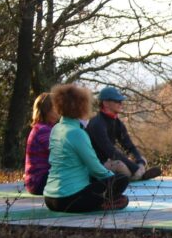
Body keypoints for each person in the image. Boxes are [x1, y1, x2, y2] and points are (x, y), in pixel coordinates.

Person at [43, 84, 132, 212]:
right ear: (81, 107)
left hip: (50, 198)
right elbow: (95, 168)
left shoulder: (56, 129)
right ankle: (103, 203)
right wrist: (112, 178)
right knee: (121, 179)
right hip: (69, 199)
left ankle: (105, 200)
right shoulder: (77, 133)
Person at [86, 86, 161, 181]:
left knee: (141, 159)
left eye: (121, 101)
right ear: (105, 103)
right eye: (117, 101)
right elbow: (110, 151)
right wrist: (134, 167)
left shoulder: (116, 122)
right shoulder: (97, 124)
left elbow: (129, 145)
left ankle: (138, 175)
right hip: (95, 165)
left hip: (107, 162)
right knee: (120, 166)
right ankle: (139, 176)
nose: (120, 103)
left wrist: (140, 161)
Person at [23, 92, 58, 195]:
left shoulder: (45, 127)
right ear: (46, 110)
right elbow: (60, 154)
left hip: (38, 181)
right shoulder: (43, 130)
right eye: (56, 108)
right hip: (39, 182)